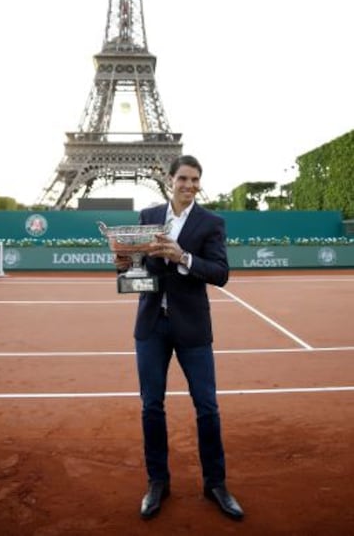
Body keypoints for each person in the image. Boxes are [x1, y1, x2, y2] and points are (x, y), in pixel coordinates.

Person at [114, 154, 244, 521]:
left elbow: (220, 273)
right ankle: (158, 482)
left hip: (192, 326)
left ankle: (215, 483)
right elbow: (138, 267)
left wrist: (183, 255)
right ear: (169, 179)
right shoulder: (148, 216)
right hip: (152, 324)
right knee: (151, 406)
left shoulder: (211, 223)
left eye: (195, 180)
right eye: (183, 178)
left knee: (207, 406)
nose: (189, 185)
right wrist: (125, 262)